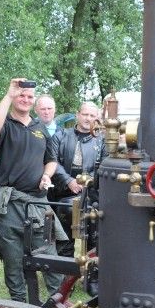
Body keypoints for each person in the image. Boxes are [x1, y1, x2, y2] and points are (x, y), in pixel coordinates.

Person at [0, 78, 63, 302]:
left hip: (38, 203)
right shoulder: (6, 124)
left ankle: (57, 304)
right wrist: (9, 94)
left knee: (48, 255)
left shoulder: (40, 128)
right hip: (9, 204)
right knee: (13, 259)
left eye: (30, 96)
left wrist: (47, 175)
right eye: (22, 95)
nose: (26, 99)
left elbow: (51, 159)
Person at [49, 101, 107, 255]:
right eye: (85, 114)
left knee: (93, 241)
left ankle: (92, 277)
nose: (88, 118)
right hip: (62, 193)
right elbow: (52, 161)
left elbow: (104, 166)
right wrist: (69, 181)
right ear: (77, 115)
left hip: (92, 196)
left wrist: (86, 183)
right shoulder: (60, 136)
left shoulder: (102, 140)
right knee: (64, 240)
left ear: (97, 118)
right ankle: (65, 275)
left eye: (92, 115)